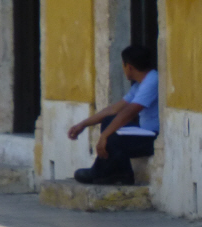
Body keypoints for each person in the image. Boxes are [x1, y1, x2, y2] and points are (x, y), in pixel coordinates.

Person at [67, 45, 160, 185]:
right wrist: (83, 124)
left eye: (123, 65)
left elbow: (130, 111)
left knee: (113, 136)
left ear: (129, 66)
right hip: (144, 133)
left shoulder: (152, 80)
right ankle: (116, 173)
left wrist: (104, 135)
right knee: (109, 121)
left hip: (153, 138)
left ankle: (104, 172)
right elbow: (114, 109)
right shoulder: (140, 85)